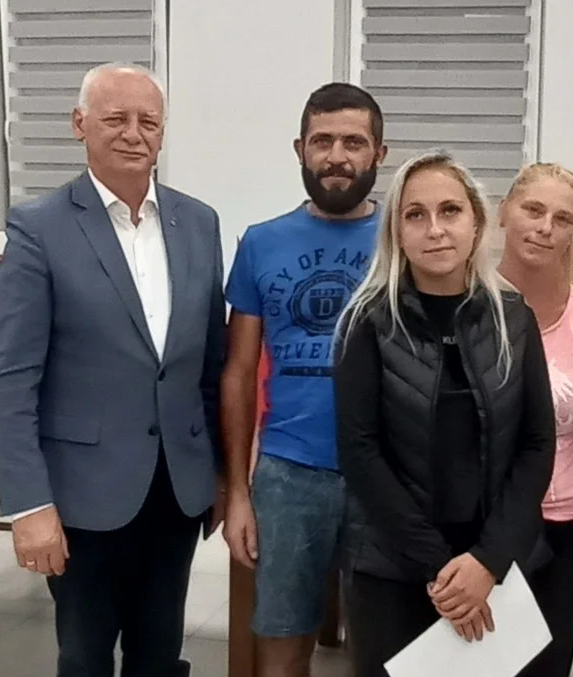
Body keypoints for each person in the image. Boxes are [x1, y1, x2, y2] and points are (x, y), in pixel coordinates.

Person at [0, 62, 227, 677]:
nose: (133, 134)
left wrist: (219, 474)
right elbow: (10, 380)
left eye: (148, 121)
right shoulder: (39, 229)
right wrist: (28, 505)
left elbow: (208, 365)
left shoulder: (199, 223)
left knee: (159, 655)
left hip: (175, 490)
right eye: (115, 118)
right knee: (86, 657)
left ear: (163, 133)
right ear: (80, 124)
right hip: (81, 496)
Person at [332, 150, 557, 677]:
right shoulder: (368, 323)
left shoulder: (514, 317)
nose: (435, 229)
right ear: (397, 232)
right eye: (416, 215)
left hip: (497, 564)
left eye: (450, 211)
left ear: (477, 223)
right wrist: (441, 568)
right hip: (393, 566)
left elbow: (537, 443)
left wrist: (487, 562)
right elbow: (359, 452)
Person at [220, 82, 387, 677]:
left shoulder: (406, 239)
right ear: (300, 149)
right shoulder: (261, 243)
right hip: (289, 475)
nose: (336, 157)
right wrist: (237, 493)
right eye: (322, 141)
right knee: (284, 644)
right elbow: (239, 372)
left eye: (353, 142)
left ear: (379, 154)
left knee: (387, 649)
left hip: (388, 475)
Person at [496, 163, 573, 677]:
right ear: (503, 212)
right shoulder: (463, 304)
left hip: (563, 526)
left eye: (562, 218)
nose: (545, 227)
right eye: (533, 210)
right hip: (478, 523)